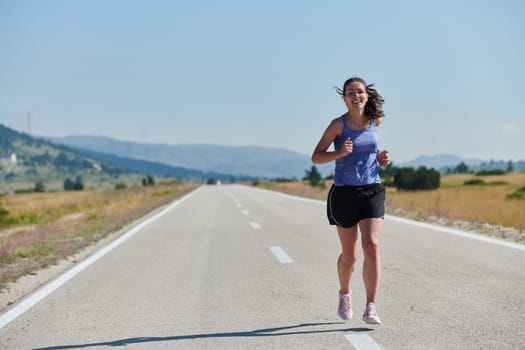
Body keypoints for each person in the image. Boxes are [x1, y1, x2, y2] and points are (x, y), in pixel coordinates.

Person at [311, 77, 390, 324]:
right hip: (344, 193)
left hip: (372, 190)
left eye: (360, 92)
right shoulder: (337, 125)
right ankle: (345, 293)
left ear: (367, 95)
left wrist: (380, 157)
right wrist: (340, 152)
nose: (356, 96)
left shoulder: (374, 120)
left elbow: (368, 151)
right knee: (350, 257)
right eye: (350, 93)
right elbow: (316, 157)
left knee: (372, 246)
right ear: (344, 98)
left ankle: (371, 306)